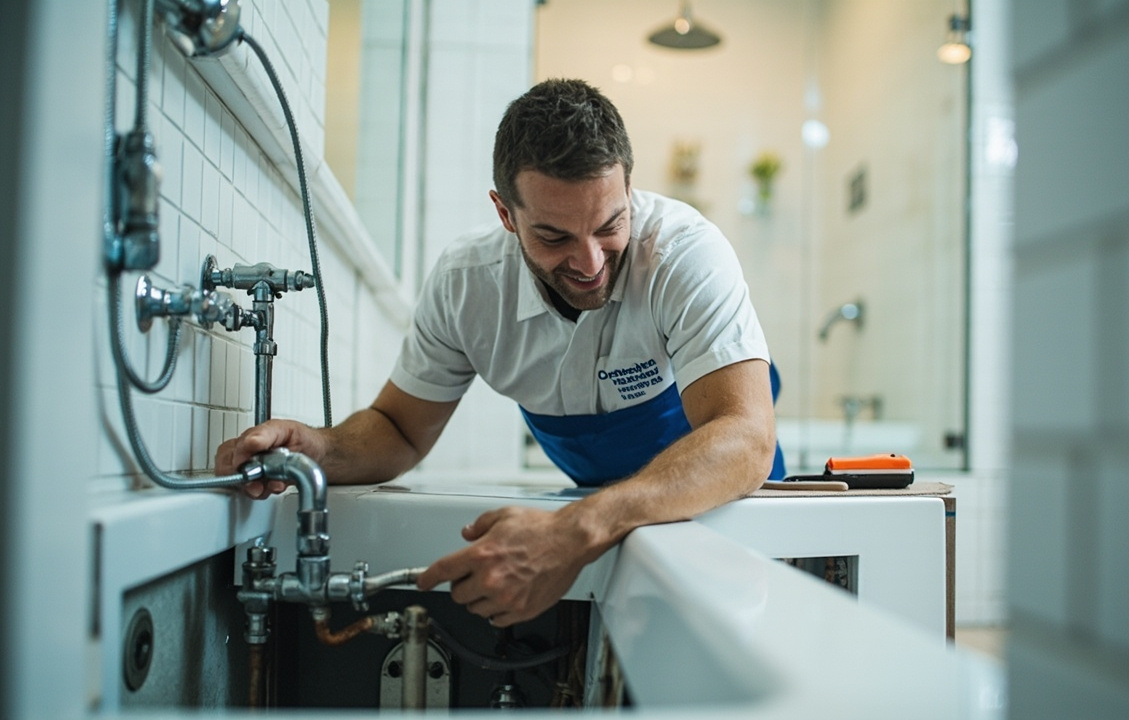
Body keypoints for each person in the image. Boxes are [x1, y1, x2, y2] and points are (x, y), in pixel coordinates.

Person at [216, 78, 785, 627]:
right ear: (505, 214)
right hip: (609, 513)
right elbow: (400, 430)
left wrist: (572, 532)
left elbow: (745, 438)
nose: (589, 264)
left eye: (610, 225)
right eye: (555, 237)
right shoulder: (468, 286)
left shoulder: (684, 255)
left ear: (629, 187)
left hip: (729, 510)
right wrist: (317, 447)